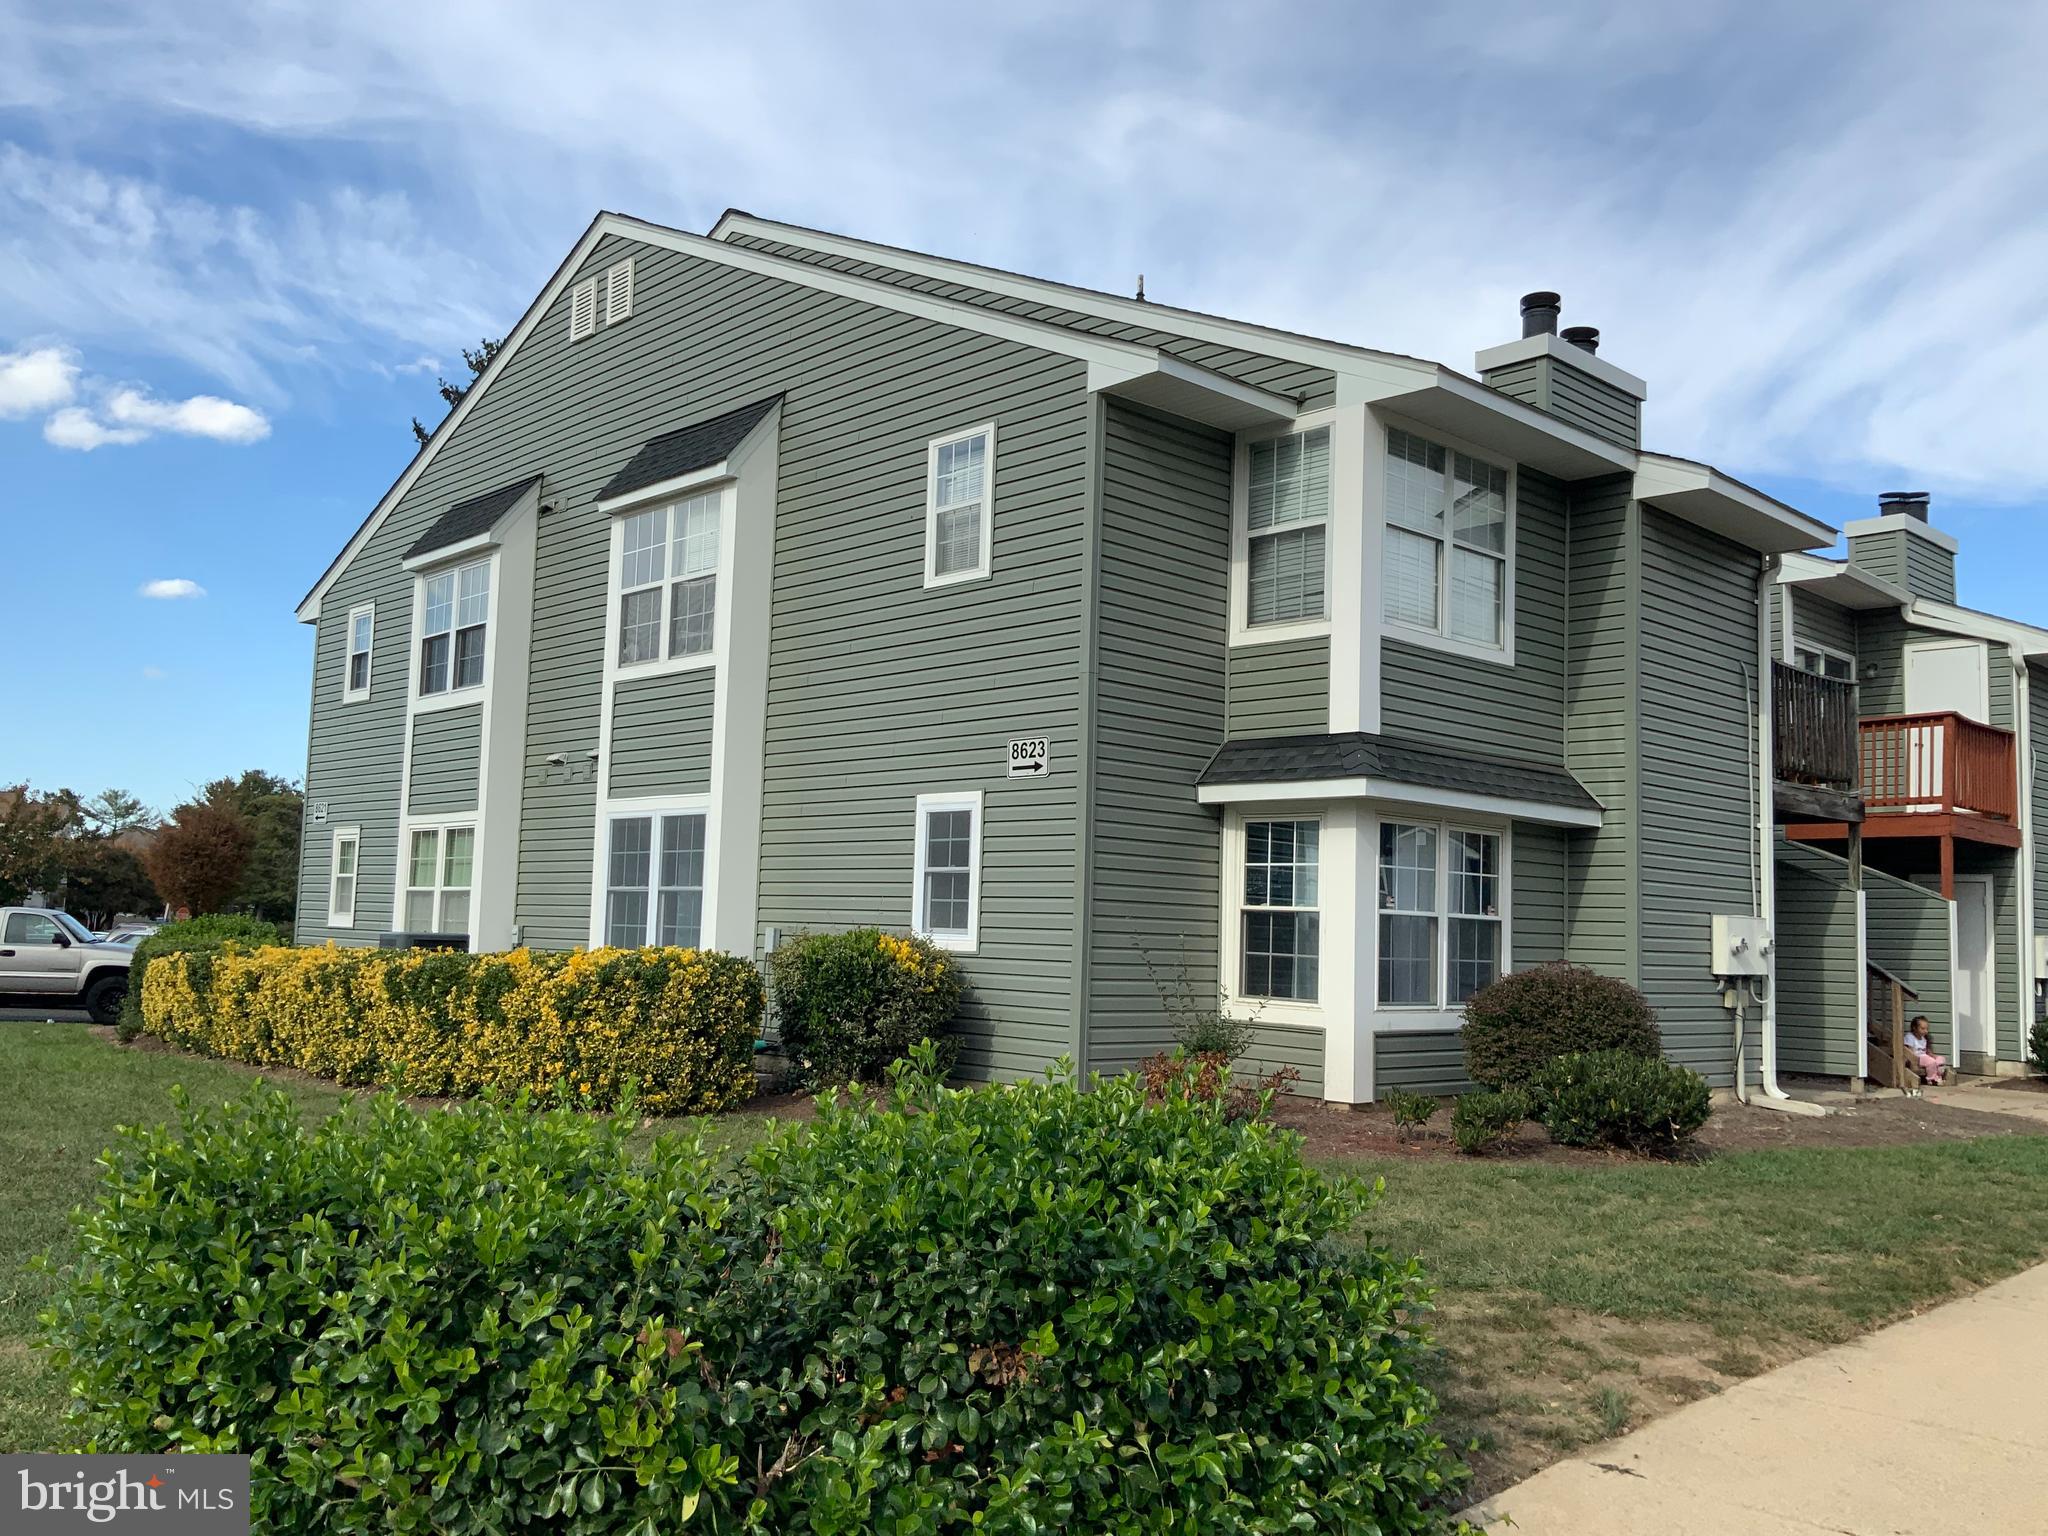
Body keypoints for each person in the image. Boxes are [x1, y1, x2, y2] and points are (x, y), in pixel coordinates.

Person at [1902, 1015, 1947, 1087]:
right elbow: (1909, 1051)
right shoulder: (1910, 1037)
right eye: (1923, 1029)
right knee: (1931, 1062)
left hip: (1924, 1056)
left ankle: (1939, 1075)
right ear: (1914, 1028)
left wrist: (1934, 1056)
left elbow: (1927, 1051)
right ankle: (1931, 1079)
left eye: (1926, 1029)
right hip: (1917, 1058)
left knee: (1941, 1059)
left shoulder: (1923, 1038)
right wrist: (1913, 1062)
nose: (1926, 1031)